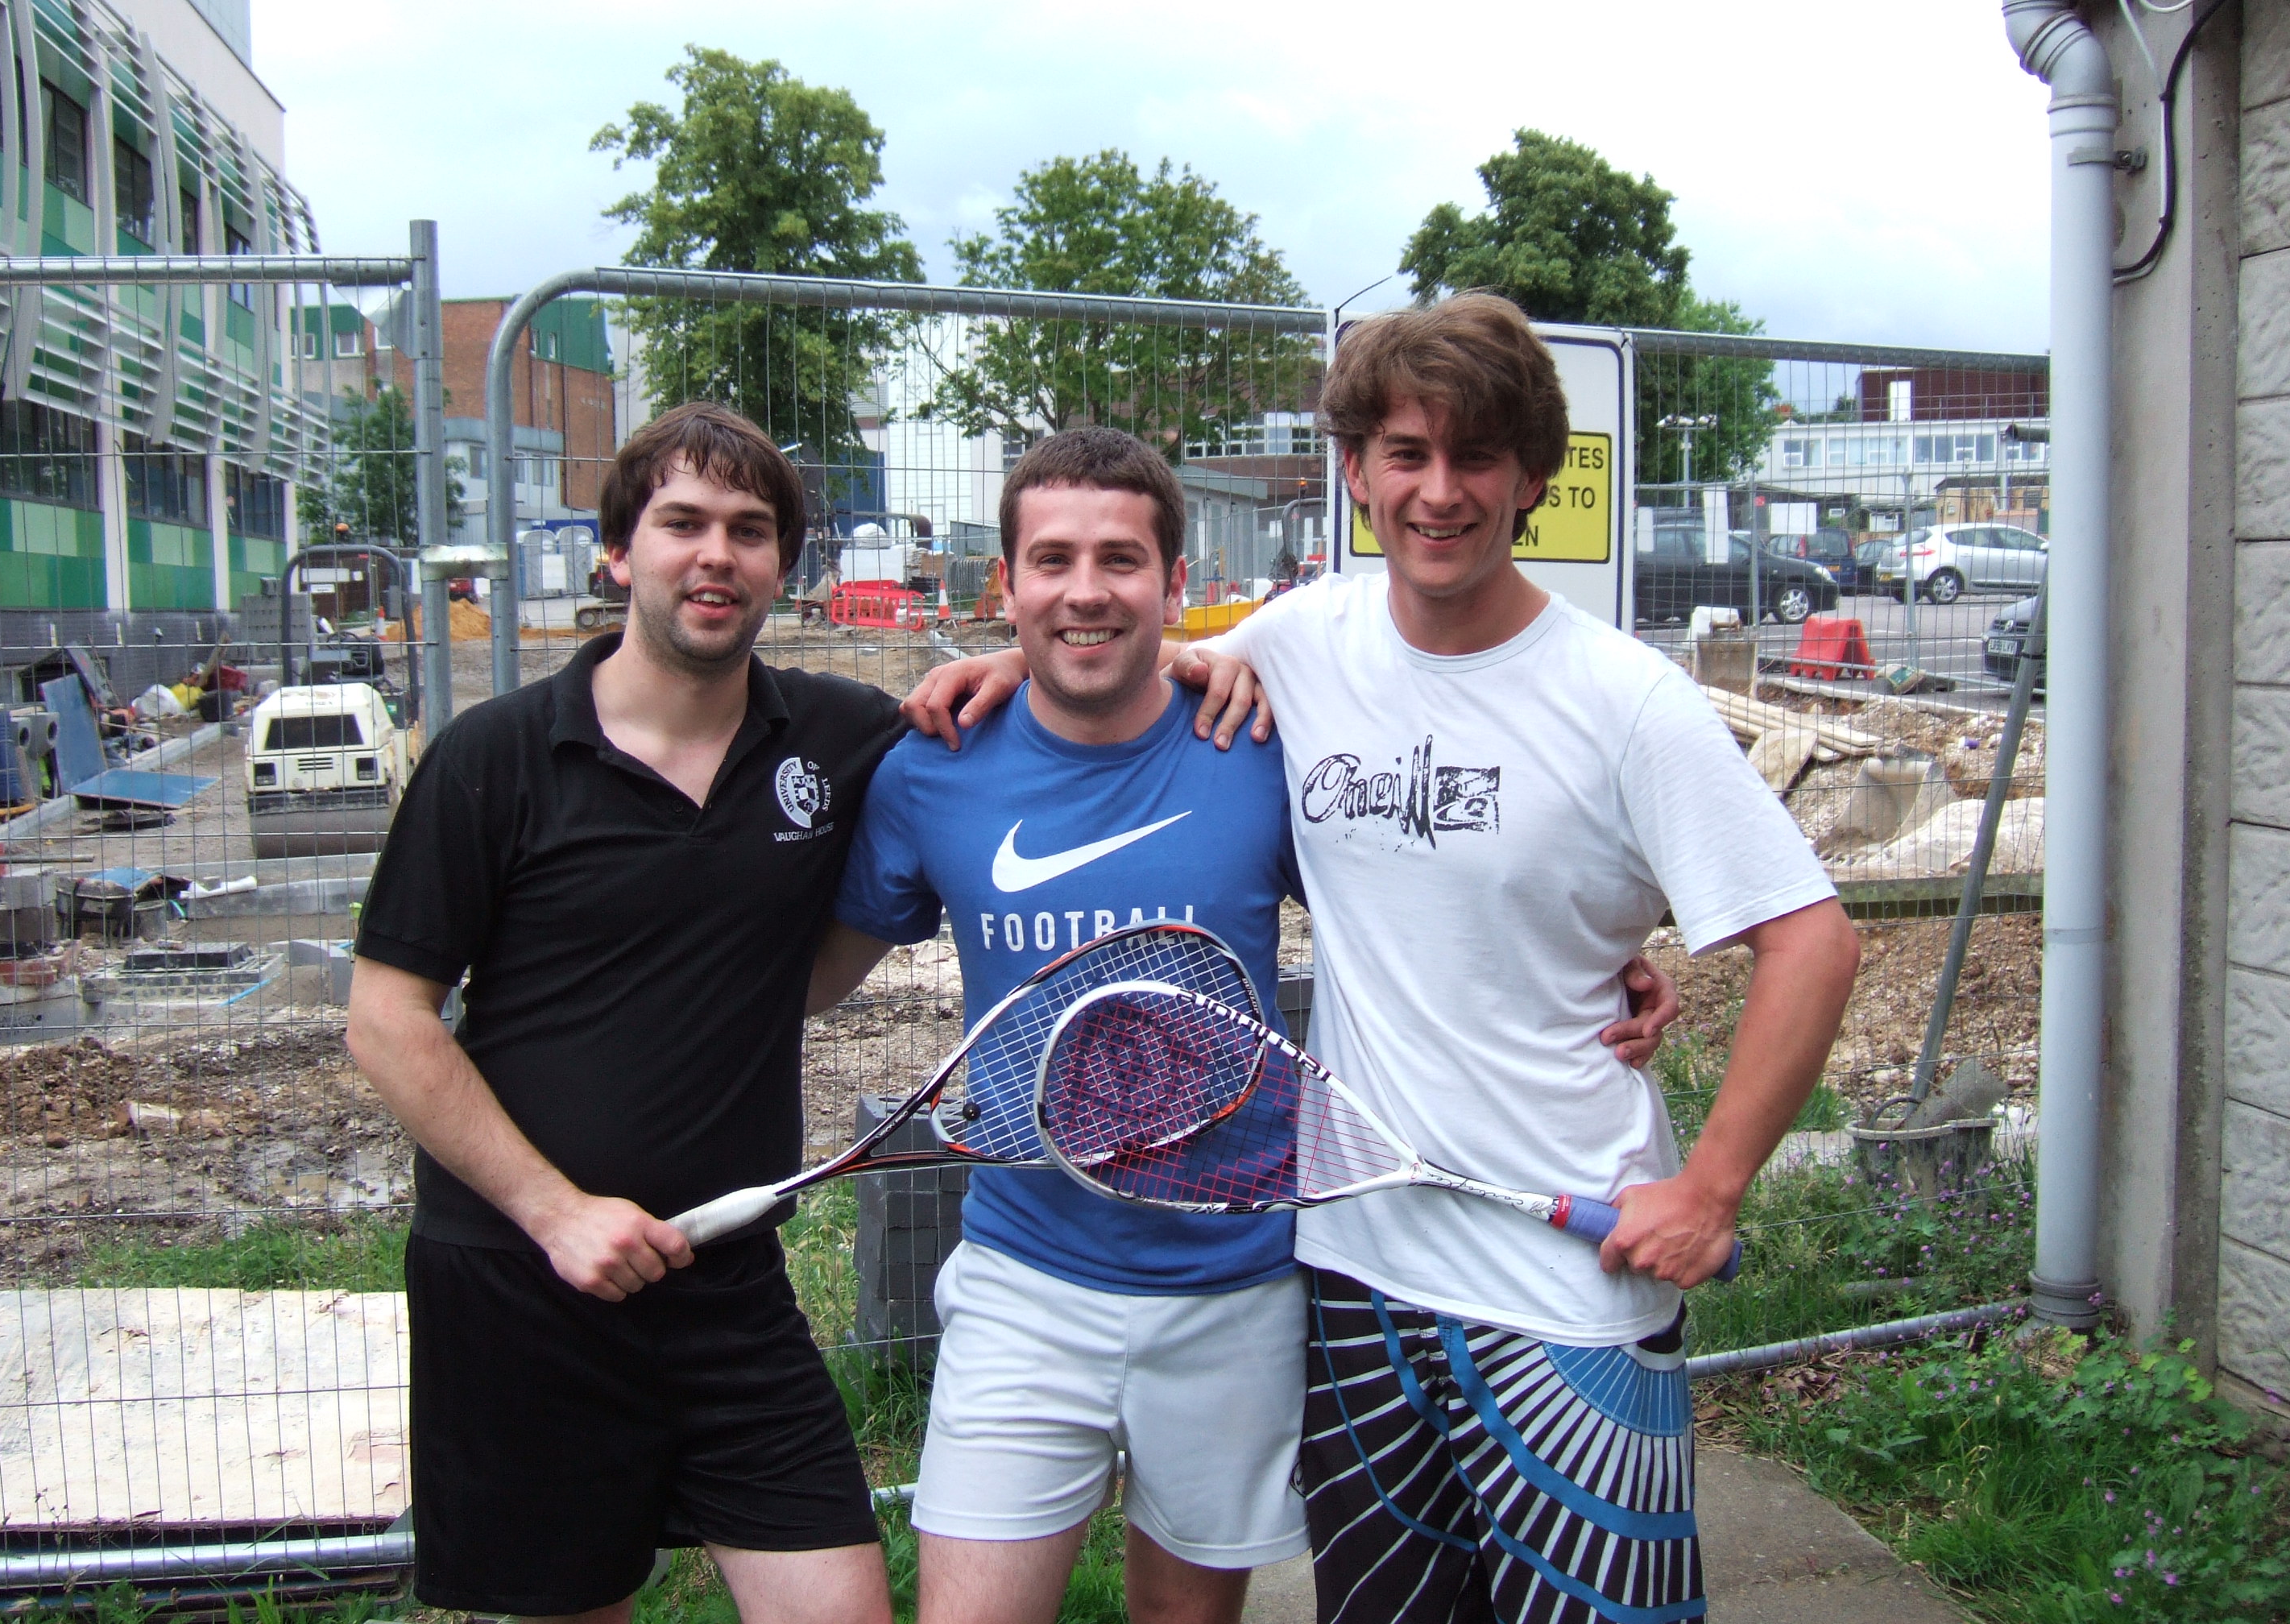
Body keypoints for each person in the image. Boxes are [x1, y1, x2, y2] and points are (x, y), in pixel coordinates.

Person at [909, 294, 1858, 1624]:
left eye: (1477, 458)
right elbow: (1119, 660)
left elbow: (1811, 940)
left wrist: (1710, 1185)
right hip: (1356, 1278)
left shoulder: (1623, 697)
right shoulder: (1305, 639)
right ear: (1355, 472)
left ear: (1532, 478)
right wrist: (989, 674)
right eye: (1405, 454)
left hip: (1567, 1282)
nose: (1440, 491)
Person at [814, 428, 1679, 1624]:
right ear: (1001, 585)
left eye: (1121, 560)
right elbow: (813, 978)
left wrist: (1590, 959)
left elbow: (1427, 894)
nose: (1084, 589)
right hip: (1024, 1277)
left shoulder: (1262, 745)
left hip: (1238, 1283)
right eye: (1051, 560)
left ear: (1175, 587)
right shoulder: (934, 767)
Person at [345, 402, 901, 1624]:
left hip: (727, 1275)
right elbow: (387, 1020)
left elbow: (1008, 703)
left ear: (782, 569)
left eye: (750, 531)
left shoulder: (840, 737)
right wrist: (556, 1213)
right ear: (617, 554)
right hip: (522, 1284)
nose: (717, 555)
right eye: (682, 523)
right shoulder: (495, 759)